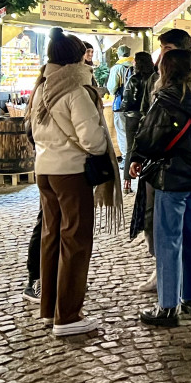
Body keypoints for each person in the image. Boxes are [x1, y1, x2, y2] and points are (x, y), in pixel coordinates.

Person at [28, 27, 115, 337]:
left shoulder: (42, 87)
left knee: (51, 237)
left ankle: (49, 309)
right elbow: (92, 141)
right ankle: (68, 316)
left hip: (45, 170)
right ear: (77, 60)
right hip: (71, 172)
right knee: (76, 241)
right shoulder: (75, 91)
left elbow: (34, 131)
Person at [129, 49, 191, 327]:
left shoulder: (165, 99)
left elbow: (148, 138)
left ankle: (168, 306)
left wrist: (138, 158)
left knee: (168, 240)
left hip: (171, 177)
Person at [132, 29, 191, 293]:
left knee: (176, 223)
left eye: (167, 50)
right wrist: (138, 153)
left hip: (177, 166)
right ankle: (162, 268)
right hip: (155, 162)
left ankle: (174, 279)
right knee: (150, 216)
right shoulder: (154, 80)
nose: (161, 56)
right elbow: (146, 120)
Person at [121, 52, 156, 194]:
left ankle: (127, 182)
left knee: (131, 147)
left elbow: (128, 99)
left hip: (132, 117)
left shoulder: (134, 79)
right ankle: (145, 178)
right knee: (148, 146)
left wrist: (124, 109)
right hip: (148, 117)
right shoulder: (154, 78)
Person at [107, 45, 135, 161]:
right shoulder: (135, 66)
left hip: (120, 104)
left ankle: (126, 158)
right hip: (135, 105)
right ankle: (134, 158)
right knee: (133, 132)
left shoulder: (117, 68)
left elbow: (112, 88)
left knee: (122, 132)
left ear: (119, 54)